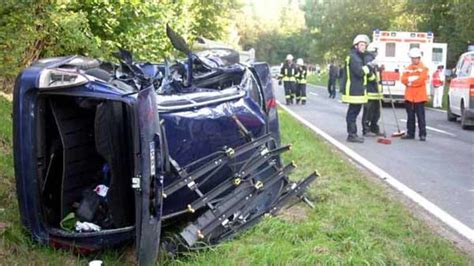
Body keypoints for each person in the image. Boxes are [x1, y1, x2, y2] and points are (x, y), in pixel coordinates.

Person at [341, 34, 371, 143]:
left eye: (365, 45)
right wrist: (369, 66)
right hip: (354, 89)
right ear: (356, 46)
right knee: (353, 113)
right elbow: (359, 72)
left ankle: (353, 133)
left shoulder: (357, 56)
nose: (363, 47)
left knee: (354, 112)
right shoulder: (353, 57)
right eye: (361, 45)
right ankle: (352, 135)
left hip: (357, 89)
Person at [400, 47, 429, 141]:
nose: (414, 60)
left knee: (421, 117)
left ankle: (422, 134)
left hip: (419, 97)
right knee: (410, 117)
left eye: (415, 58)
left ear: (419, 58)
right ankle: (410, 133)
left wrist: (410, 82)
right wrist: (411, 80)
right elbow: (403, 79)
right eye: (412, 58)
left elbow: (421, 81)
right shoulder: (407, 68)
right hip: (409, 97)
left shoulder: (423, 68)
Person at [362, 43, 383, 136]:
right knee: (368, 111)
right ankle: (366, 129)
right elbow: (367, 72)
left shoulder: (373, 59)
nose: (377, 53)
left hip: (376, 90)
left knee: (376, 111)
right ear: (373, 51)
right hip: (370, 89)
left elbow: (375, 71)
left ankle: (374, 128)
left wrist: (380, 69)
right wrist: (373, 79)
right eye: (376, 51)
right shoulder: (368, 58)